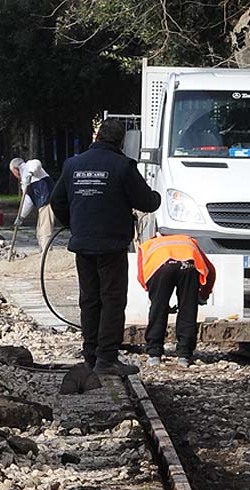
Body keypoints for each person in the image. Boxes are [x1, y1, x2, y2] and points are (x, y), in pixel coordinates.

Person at [50, 118, 161, 377]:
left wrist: (75, 223)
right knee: (112, 299)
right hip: (111, 246)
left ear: (98, 136)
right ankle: (107, 358)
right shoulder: (122, 166)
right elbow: (147, 202)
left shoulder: (72, 164)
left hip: (83, 244)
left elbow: (57, 201)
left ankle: (90, 354)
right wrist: (158, 195)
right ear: (120, 141)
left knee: (89, 299)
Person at [136, 233, 216, 367]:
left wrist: (154, 294)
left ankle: (154, 354)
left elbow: (141, 274)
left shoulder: (148, 245)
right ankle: (184, 355)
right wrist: (203, 294)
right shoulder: (189, 241)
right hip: (189, 266)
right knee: (188, 310)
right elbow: (211, 270)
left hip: (160, 268)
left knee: (158, 310)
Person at [9, 158, 56, 253]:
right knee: (39, 231)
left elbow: (37, 163)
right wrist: (21, 216)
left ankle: (47, 253)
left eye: (12, 172)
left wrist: (31, 173)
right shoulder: (24, 182)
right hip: (42, 204)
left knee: (45, 229)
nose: (14, 175)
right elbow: (28, 201)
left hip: (48, 200)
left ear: (15, 168)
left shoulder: (29, 166)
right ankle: (43, 250)